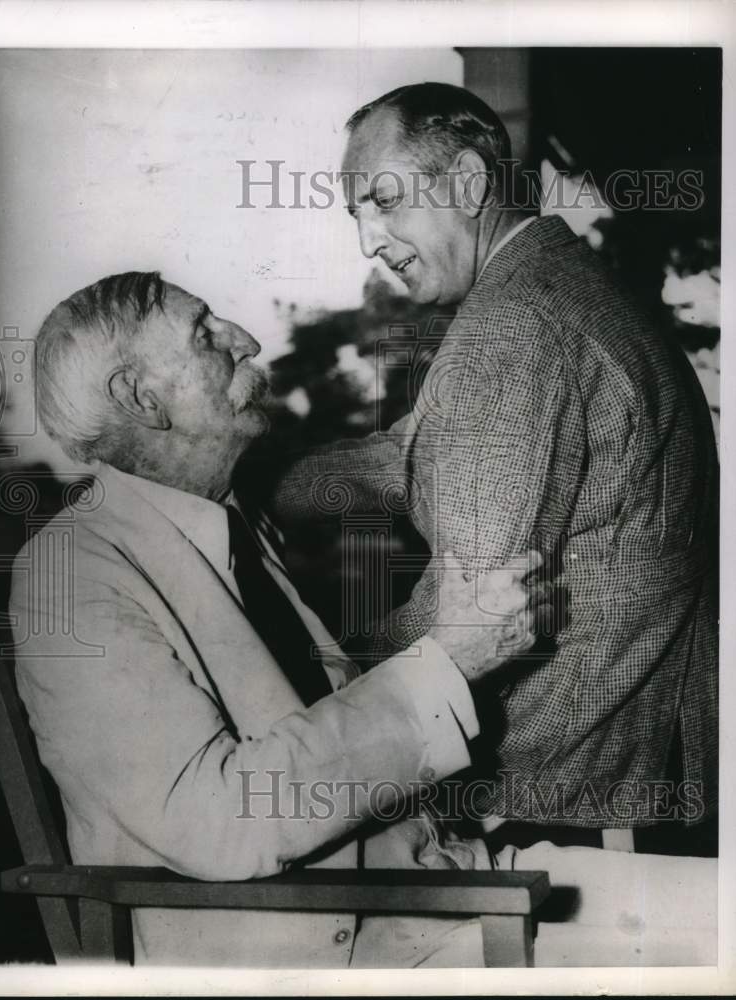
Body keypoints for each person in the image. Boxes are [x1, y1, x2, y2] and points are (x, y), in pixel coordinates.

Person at [10, 271, 715, 968]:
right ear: (141, 397)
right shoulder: (71, 575)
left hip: (439, 885)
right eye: (204, 332)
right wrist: (446, 662)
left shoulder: (228, 522)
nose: (245, 339)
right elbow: (214, 822)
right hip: (332, 947)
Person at [271, 82, 719, 849]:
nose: (369, 242)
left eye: (384, 201)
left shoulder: (509, 331)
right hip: (643, 773)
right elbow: (411, 452)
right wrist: (264, 485)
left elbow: (478, 616)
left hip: (566, 809)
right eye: (356, 215)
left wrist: (302, 677)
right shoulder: (558, 287)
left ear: (471, 183)